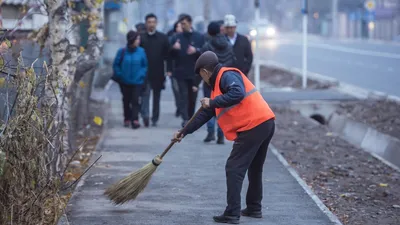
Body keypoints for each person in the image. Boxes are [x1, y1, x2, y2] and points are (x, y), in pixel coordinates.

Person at [172, 51, 275, 224]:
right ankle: (254, 208)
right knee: (255, 168)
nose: (202, 79)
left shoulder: (227, 75)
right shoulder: (218, 86)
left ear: (205, 72)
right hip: (264, 122)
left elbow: (238, 93)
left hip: (254, 125)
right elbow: (204, 115)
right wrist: (183, 132)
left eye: (201, 76)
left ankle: (232, 213)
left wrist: (212, 102)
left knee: (234, 168)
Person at [200, 21, 236, 144]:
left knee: (208, 105)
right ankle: (221, 134)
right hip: (225, 79)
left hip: (209, 81)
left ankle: (210, 132)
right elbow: (233, 60)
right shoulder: (228, 44)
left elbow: (202, 64)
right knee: (221, 106)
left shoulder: (207, 46)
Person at [169, 14, 205, 127]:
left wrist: (196, 50)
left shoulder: (199, 37)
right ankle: (185, 119)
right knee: (183, 96)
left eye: (184, 23)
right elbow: (169, 55)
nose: (182, 26)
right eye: (181, 24)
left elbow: (205, 53)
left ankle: (190, 117)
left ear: (190, 23)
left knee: (192, 97)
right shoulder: (176, 37)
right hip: (181, 72)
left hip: (195, 73)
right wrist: (174, 48)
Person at [139, 13, 170, 127]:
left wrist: (168, 70)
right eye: (149, 22)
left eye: (153, 22)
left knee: (157, 97)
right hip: (144, 72)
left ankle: (155, 118)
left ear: (156, 23)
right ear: (146, 23)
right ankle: (145, 115)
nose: (151, 24)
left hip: (158, 72)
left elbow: (168, 55)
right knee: (145, 95)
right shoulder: (141, 38)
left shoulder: (163, 38)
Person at [112, 30, 148, 129]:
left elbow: (144, 65)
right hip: (124, 81)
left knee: (136, 100)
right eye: (137, 39)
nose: (139, 41)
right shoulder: (122, 51)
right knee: (126, 100)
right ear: (132, 40)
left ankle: (135, 119)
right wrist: (120, 74)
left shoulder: (141, 51)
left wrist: (141, 74)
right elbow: (116, 65)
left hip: (137, 81)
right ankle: (127, 118)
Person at [167, 21, 183, 118]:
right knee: (176, 90)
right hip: (174, 68)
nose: (179, 28)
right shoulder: (172, 39)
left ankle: (183, 108)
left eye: (181, 26)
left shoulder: (188, 38)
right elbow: (168, 55)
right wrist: (168, 69)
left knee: (183, 90)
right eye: (177, 26)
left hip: (185, 69)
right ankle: (179, 106)